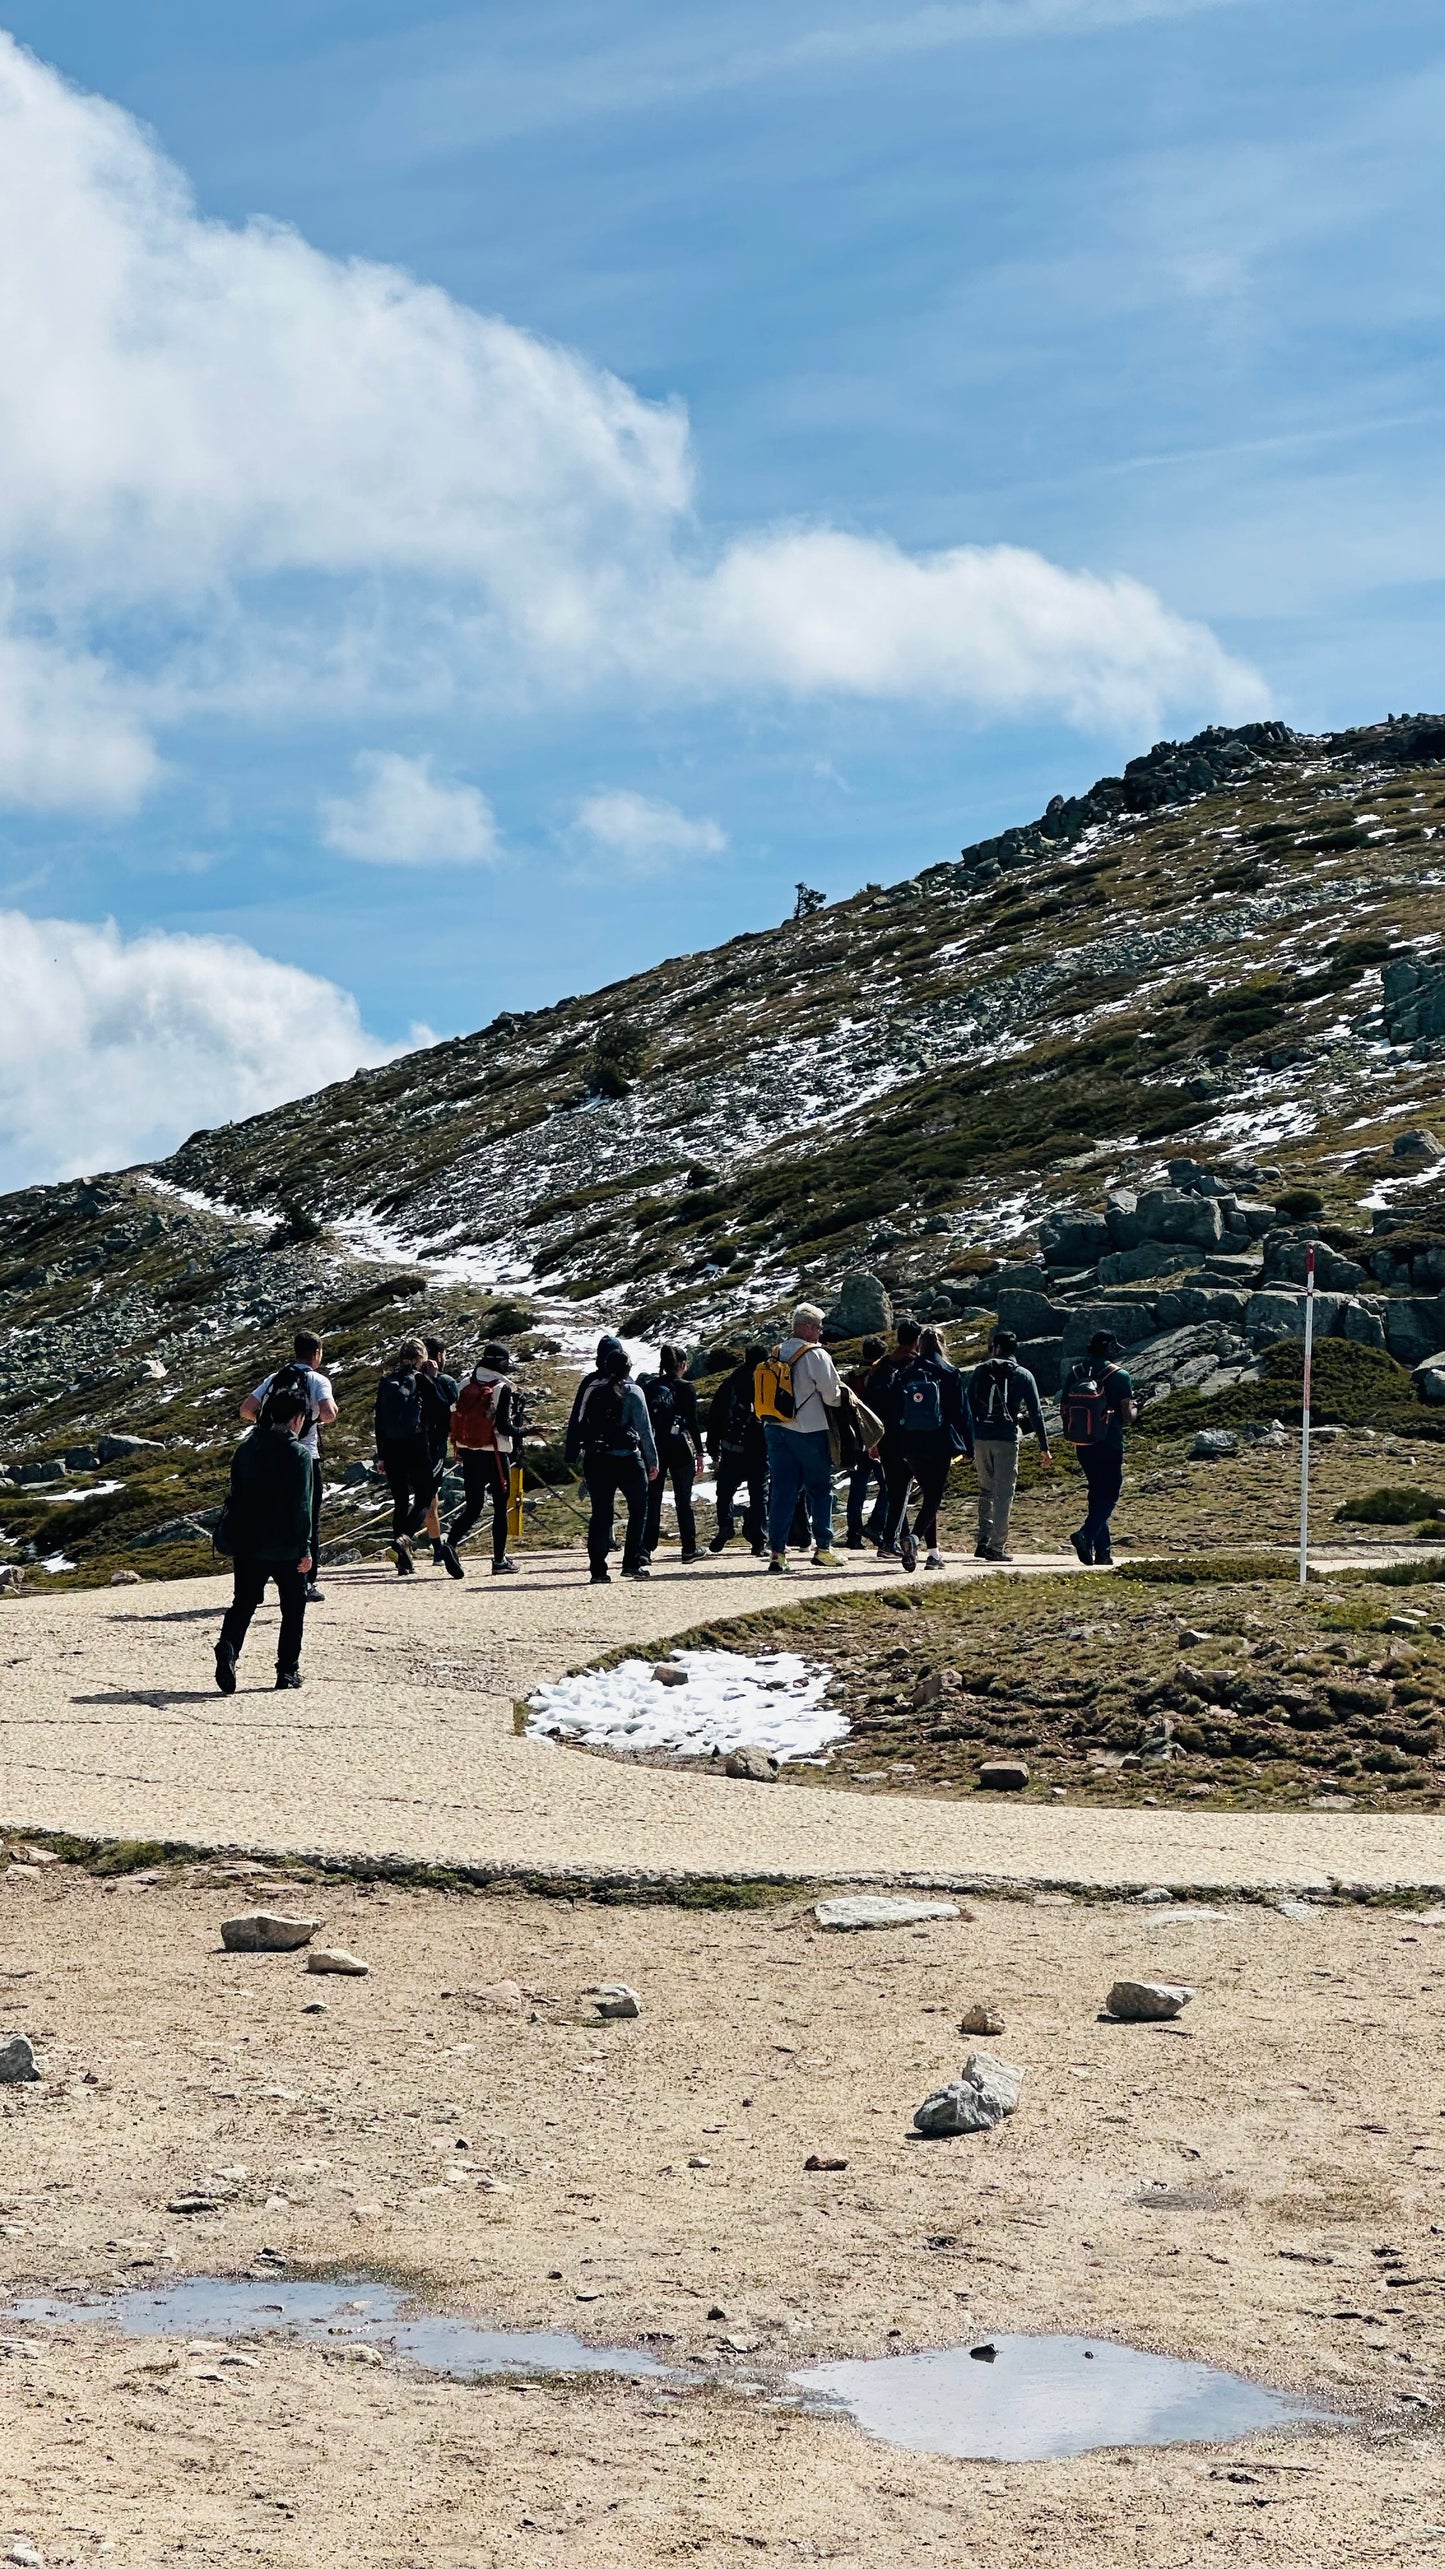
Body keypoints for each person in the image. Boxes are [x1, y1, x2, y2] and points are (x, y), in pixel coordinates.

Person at [215, 1372, 315, 1694]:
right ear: (297, 1418)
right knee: (293, 1607)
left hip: (248, 1542)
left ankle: (228, 1647)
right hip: (285, 1546)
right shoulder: (298, 1455)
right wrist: (306, 1548)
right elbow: (302, 1506)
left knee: (243, 1603)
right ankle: (287, 1671)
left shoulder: (245, 1450)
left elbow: (236, 1494)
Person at [241, 1330, 336, 1604]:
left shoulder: (275, 1378)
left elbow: (246, 1409)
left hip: (268, 1455)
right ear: (316, 1354)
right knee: (306, 1517)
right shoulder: (318, 1380)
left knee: (263, 1513)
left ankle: (255, 1582)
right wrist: (312, 1421)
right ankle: (305, 1582)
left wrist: (270, 1424)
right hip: (304, 1454)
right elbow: (328, 1412)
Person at [877, 1320, 972, 1572]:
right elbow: (962, 1413)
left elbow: (895, 1410)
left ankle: (933, 1554)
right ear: (941, 1344)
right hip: (940, 1442)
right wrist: (969, 1446)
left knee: (928, 1495)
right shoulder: (950, 1373)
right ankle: (915, 1539)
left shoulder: (906, 1372)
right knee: (933, 1496)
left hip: (910, 1444)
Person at [564, 1335, 659, 1583]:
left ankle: (598, 1570)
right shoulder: (634, 1391)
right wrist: (653, 1462)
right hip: (628, 1458)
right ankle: (631, 1562)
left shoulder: (591, 1386)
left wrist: (571, 1452)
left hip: (597, 1458)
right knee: (639, 1510)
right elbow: (645, 1431)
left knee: (601, 1514)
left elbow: (577, 1420)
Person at [761, 1302, 843, 1572]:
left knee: (782, 1490)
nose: (820, 1332)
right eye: (818, 1327)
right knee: (819, 1489)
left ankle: (777, 1551)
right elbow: (831, 1394)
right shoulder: (816, 1355)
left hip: (775, 1427)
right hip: (809, 1429)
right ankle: (823, 1547)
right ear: (807, 1327)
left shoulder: (776, 1352)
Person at [966, 1326, 1053, 1563]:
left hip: (981, 1438)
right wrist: (1044, 1447)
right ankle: (997, 1546)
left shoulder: (980, 1371)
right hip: (1006, 1438)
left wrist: (966, 1442)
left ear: (995, 1348)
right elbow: (1036, 1413)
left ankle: (982, 1540)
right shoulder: (1024, 1375)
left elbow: (970, 1406)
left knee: (985, 1490)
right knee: (1004, 1494)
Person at [442, 1342, 520, 1577]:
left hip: (469, 1452)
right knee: (500, 1507)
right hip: (496, 1453)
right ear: (501, 1363)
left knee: (474, 1505)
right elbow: (505, 1426)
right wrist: (527, 1431)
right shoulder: (501, 1387)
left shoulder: (465, 1384)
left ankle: (451, 1543)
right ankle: (499, 1560)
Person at [1060, 1329, 1137, 1565]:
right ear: (1110, 1348)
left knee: (1096, 1493)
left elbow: (1064, 1406)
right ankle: (1085, 1535)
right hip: (1110, 1442)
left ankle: (1103, 1552)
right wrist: (1136, 1408)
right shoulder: (1120, 1375)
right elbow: (1127, 1416)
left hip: (1083, 1442)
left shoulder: (1075, 1372)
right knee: (1110, 1493)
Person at [374, 1336, 439, 1576]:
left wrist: (380, 1453)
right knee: (424, 1496)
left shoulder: (386, 1381)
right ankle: (403, 1539)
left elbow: (379, 1420)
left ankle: (403, 1561)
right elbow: (438, 1407)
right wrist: (432, 1378)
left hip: (390, 1447)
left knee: (400, 1501)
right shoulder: (421, 1379)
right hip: (415, 1445)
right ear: (421, 1358)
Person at [706, 1344, 770, 1556]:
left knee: (724, 1492)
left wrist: (712, 1445)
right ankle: (759, 1540)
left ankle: (725, 1526)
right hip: (760, 1449)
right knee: (759, 1496)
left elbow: (716, 1415)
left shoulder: (730, 1383)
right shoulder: (767, 1382)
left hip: (732, 1448)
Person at [641, 1344, 702, 1564]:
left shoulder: (650, 1387)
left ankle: (645, 1549)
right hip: (679, 1447)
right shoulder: (686, 1388)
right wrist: (700, 1453)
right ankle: (689, 1548)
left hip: (656, 1448)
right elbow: (693, 1423)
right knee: (683, 1500)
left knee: (653, 1499)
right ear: (682, 1366)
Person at [844, 1334, 892, 1549]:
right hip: (878, 1438)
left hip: (855, 1438)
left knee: (857, 1487)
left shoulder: (851, 1376)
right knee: (888, 1485)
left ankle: (853, 1535)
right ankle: (876, 1524)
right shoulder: (880, 1375)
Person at [419, 1336, 460, 1566]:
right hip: (434, 1445)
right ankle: (437, 1550)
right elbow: (453, 1412)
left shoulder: (408, 1379)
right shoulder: (444, 1381)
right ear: (440, 1355)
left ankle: (405, 1543)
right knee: (430, 1499)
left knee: (414, 1499)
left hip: (407, 1445)